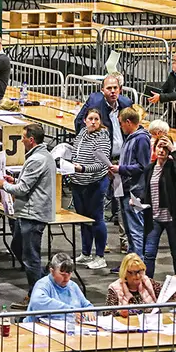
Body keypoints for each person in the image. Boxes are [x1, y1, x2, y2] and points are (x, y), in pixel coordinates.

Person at [26, 253, 108, 352]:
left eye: (69, 274)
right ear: (51, 271)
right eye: (62, 274)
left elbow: (86, 304)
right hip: (48, 343)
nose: (66, 278)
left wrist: (90, 311)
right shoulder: (42, 285)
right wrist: (70, 310)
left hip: (75, 341)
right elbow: (37, 302)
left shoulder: (73, 286)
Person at [0, 124, 56, 302]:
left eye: (23, 137)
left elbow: (22, 189)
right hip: (28, 212)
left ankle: (37, 294)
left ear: (31, 140)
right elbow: (28, 182)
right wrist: (14, 180)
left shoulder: (37, 159)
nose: (20, 140)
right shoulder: (40, 156)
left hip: (33, 213)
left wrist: (4, 186)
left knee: (31, 257)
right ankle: (44, 280)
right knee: (18, 246)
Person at [70, 108, 111, 270]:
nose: (93, 122)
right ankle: (86, 253)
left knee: (96, 218)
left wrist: (83, 168)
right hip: (78, 182)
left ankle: (100, 256)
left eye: (96, 119)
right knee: (83, 218)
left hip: (95, 183)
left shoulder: (102, 138)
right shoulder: (81, 133)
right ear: (85, 120)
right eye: (90, 119)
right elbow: (75, 153)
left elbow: (102, 163)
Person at [142, 135, 176, 278]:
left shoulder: (172, 167)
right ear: (154, 149)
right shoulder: (149, 168)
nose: (161, 150)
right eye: (159, 146)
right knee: (149, 252)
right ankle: (148, 282)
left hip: (171, 217)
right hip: (154, 216)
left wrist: (173, 149)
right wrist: (138, 201)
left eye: (165, 147)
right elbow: (147, 191)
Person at [110, 107, 151, 256]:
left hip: (135, 191)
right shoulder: (132, 137)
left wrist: (120, 169)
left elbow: (143, 166)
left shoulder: (141, 139)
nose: (120, 127)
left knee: (135, 230)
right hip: (125, 188)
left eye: (121, 123)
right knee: (129, 230)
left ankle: (138, 264)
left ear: (128, 122)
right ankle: (130, 264)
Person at [75, 75, 133, 161]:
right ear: (102, 90)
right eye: (109, 88)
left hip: (123, 159)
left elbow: (133, 127)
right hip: (103, 161)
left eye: (115, 88)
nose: (113, 91)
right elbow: (79, 123)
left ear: (120, 89)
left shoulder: (126, 104)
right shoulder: (95, 104)